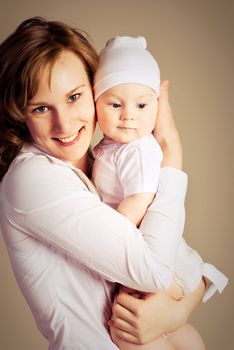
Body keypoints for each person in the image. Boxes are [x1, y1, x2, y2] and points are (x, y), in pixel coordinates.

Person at [0, 17, 228, 350]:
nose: (63, 123)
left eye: (74, 97)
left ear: (96, 91)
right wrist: (172, 155)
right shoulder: (32, 179)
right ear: (21, 113)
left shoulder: (100, 165)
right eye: (41, 107)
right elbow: (156, 271)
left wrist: (175, 312)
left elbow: (176, 257)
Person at [91, 36, 225, 349]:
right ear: (96, 104)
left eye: (141, 105)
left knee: (128, 332)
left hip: (158, 257)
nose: (128, 115)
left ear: (156, 106)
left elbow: (140, 198)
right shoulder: (112, 147)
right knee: (168, 330)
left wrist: (105, 231)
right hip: (163, 255)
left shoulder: (137, 150)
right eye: (115, 104)